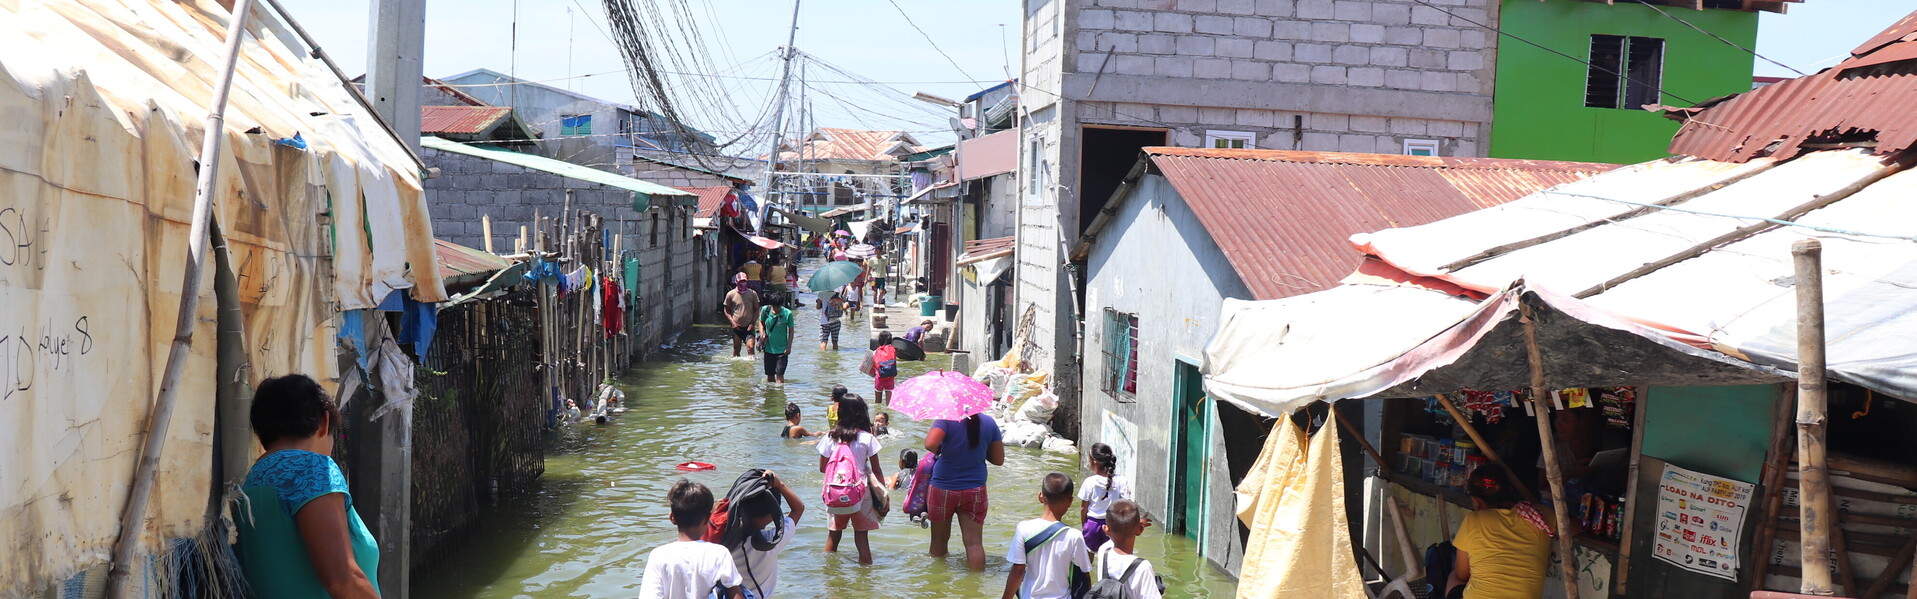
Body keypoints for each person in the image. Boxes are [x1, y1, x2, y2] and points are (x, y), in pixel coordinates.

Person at [234, 375, 379, 599]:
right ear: (324, 423)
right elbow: (342, 580)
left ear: (262, 434)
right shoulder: (312, 468)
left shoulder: (248, 484)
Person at [1447, 465, 1554, 599]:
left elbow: (1462, 574)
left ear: (1476, 501)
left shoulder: (1473, 520)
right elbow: (1576, 526)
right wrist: (1539, 509)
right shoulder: (1540, 516)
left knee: (1453, 576)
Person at [925, 412, 1006, 571]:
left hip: (943, 486)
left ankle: (936, 586)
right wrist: (980, 451)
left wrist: (943, 449)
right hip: (974, 488)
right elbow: (998, 460)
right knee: (974, 543)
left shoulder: (946, 419)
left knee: (939, 541)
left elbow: (930, 444)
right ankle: (975, 587)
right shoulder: (989, 422)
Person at [640, 480, 745, 598]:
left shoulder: (659, 555)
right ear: (707, 519)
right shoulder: (719, 553)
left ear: (672, 518)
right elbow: (736, 595)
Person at [712, 470, 805, 599]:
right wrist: (780, 485)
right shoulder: (772, 541)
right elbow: (798, 508)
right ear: (772, 516)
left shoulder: (726, 538)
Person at [817, 395, 886, 565]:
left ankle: (829, 578)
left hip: (836, 491)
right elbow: (876, 469)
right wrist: (883, 493)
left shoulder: (830, 437)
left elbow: (822, 468)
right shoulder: (867, 438)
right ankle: (864, 584)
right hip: (861, 491)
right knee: (862, 538)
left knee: (834, 535)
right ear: (861, 413)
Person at [1002, 473, 1092, 599]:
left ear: (1040, 496)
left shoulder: (1024, 528)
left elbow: (1018, 570)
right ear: (1070, 501)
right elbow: (1085, 576)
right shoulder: (1074, 536)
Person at [1091, 500, 1161, 599]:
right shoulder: (1142, 567)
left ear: (1106, 529)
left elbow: (1118, 531)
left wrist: (1134, 524)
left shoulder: (1103, 551)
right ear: (1140, 530)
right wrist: (1135, 525)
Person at [1078, 443, 1132, 553]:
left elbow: (1083, 509)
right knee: (1111, 556)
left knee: (1088, 557)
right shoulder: (1122, 480)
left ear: (1094, 462)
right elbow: (1127, 506)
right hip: (1113, 525)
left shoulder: (1089, 482)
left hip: (1092, 525)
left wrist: (1084, 526)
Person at [756, 291, 795, 384]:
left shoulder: (787, 314)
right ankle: (770, 395)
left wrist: (789, 347)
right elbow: (761, 322)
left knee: (779, 374)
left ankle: (780, 395)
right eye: (774, 306)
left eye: (778, 307)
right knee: (770, 374)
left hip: (782, 350)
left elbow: (791, 331)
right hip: (768, 349)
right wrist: (762, 333)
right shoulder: (765, 310)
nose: (776, 309)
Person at [724, 274, 761, 357]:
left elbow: (757, 310)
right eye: (741, 281)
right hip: (736, 327)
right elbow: (726, 310)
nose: (743, 284)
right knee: (736, 350)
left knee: (751, 347)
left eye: (744, 281)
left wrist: (752, 323)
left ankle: (751, 367)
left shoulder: (752, 293)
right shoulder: (730, 294)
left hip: (749, 326)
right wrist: (732, 322)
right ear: (736, 282)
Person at [869, 332, 899, 405]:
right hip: (890, 377)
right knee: (889, 403)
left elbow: (874, 364)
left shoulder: (877, 350)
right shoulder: (893, 349)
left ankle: (878, 413)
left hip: (879, 376)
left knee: (877, 402)